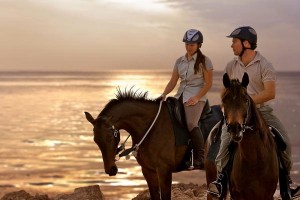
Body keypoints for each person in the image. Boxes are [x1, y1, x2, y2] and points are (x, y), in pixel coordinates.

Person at [207, 26, 300, 198]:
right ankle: (220, 181)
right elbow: (226, 91)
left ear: (246, 43)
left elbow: (270, 92)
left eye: (234, 42)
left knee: (284, 141)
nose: (231, 45)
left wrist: (246, 104)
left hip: (261, 112)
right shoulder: (231, 66)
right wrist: (229, 106)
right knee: (223, 145)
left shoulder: (265, 65)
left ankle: (287, 182)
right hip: (236, 114)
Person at [160, 29, 213, 169]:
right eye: (187, 44)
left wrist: (197, 98)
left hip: (196, 96)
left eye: (192, 45)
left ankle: (200, 157)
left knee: (191, 123)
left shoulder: (205, 61)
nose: (189, 47)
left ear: (198, 45)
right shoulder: (179, 61)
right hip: (180, 95)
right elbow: (173, 81)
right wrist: (164, 94)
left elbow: (208, 84)